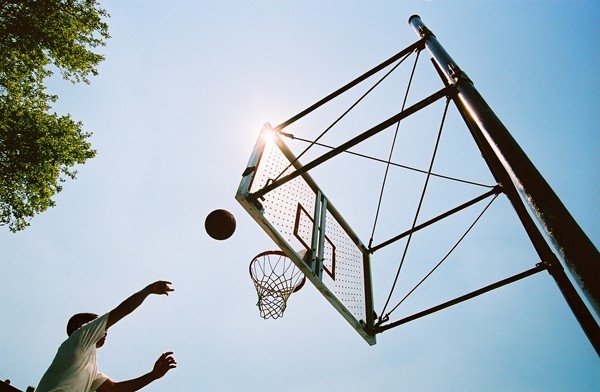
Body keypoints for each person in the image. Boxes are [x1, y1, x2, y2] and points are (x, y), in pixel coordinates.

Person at [36, 281, 177, 392]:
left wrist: (153, 375)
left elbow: (114, 389)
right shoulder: (80, 337)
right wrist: (148, 290)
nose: (106, 331)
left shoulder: (90, 368)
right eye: (99, 324)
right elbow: (122, 310)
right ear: (82, 325)